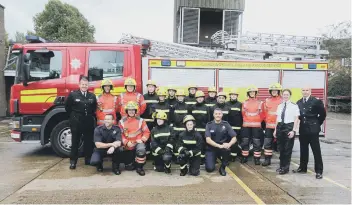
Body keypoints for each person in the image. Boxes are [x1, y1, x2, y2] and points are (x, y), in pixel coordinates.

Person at [65, 75, 97, 169]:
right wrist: (73, 117)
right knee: (75, 142)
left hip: (88, 121)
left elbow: (94, 108)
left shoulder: (92, 96)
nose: (84, 86)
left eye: (86, 84)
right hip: (76, 121)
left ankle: (88, 159)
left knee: (88, 141)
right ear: (79, 85)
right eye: (82, 84)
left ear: (88, 85)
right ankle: (73, 161)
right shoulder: (73, 95)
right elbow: (67, 107)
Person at [293, 87, 326, 179]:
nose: (305, 92)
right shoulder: (299, 102)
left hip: (313, 130)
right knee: (303, 150)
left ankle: (319, 171)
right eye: (303, 90)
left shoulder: (316, 101)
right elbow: (298, 115)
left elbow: (323, 114)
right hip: (303, 129)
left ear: (310, 91)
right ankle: (303, 168)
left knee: (316, 151)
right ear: (301, 91)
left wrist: (316, 123)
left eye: (307, 90)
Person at [118, 101, 151, 176]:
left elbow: (147, 132)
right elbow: (120, 134)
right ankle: (132, 162)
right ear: (127, 111)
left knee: (141, 150)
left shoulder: (141, 120)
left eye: (133, 110)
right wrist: (126, 142)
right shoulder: (121, 122)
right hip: (128, 144)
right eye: (129, 110)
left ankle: (139, 168)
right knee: (129, 167)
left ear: (135, 111)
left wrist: (142, 139)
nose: (131, 112)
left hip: (138, 143)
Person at [274, 89, 300, 175]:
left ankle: (285, 168)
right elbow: (277, 119)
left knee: (287, 149)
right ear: (282, 95)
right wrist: (275, 129)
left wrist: (293, 130)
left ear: (290, 96)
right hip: (280, 127)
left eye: (287, 95)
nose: (285, 96)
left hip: (289, 127)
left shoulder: (294, 106)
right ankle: (281, 166)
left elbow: (296, 119)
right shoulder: (280, 106)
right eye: (284, 94)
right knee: (281, 149)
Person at [205, 108, 237, 176]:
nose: (218, 115)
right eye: (216, 114)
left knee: (227, 149)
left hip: (222, 148)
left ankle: (222, 167)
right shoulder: (209, 125)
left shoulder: (226, 124)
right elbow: (208, 140)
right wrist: (218, 146)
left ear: (222, 115)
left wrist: (229, 144)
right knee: (209, 169)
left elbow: (234, 137)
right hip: (212, 148)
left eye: (219, 114)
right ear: (213, 115)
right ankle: (213, 158)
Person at [241, 85, 265, 165]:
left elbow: (263, 114)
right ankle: (244, 157)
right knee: (245, 142)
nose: (252, 93)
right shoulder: (244, 102)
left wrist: (257, 121)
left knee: (257, 142)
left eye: (253, 92)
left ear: (256, 93)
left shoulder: (260, 103)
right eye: (250, 92)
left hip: (256, 126)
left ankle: (257, 158)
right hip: (246, 126)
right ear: (248, 93)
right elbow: (243, 113)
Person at [262, 83, 282, 166]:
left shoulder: (282, 100)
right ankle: (267, 159)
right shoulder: (267, 101)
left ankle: (282, 161)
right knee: (267, 143)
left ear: (278, 91)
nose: (274, 92)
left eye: (275, 90)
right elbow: (264, 113)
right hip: (269, 126)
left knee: (281, 144)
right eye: (272, 91)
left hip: (280, 126)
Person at [188, 90, 211, 163]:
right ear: (196, 98)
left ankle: (202, 159)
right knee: (194, 144)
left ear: (203, 98)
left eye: (201, 97)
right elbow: (190, 119)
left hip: (204, 130)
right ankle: (194, 157)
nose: (200, 99)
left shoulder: (207, 108)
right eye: (198, 97)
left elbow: (209, 120)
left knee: (203, 145)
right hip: (195, 130)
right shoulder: (192, 107)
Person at [226, 88, 243, 161]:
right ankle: (227, 155)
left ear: (237, 96)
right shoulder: (226, 104)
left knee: (235, 142)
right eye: (232, 95)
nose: (233, 96)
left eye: (235, 95)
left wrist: (241, 126)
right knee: (227, 141)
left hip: (237, 127)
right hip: (228, 127)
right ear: (230, 96)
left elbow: (242, 116)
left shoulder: (240, 104)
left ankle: (233, 156)